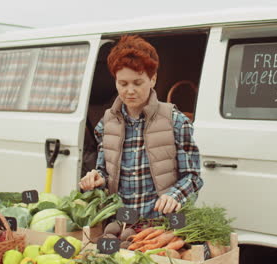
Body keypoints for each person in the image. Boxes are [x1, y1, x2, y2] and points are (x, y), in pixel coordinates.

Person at [79, 35, 203, 218]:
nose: (129, 90)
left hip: (162, 224)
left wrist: (174, 196)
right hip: (121, 223)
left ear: (152, 80)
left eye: (137, 83)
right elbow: (106, 173)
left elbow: (193, 177)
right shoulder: (106, 124)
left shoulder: (175, 121)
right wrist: (97, 179)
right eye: (123, 83)